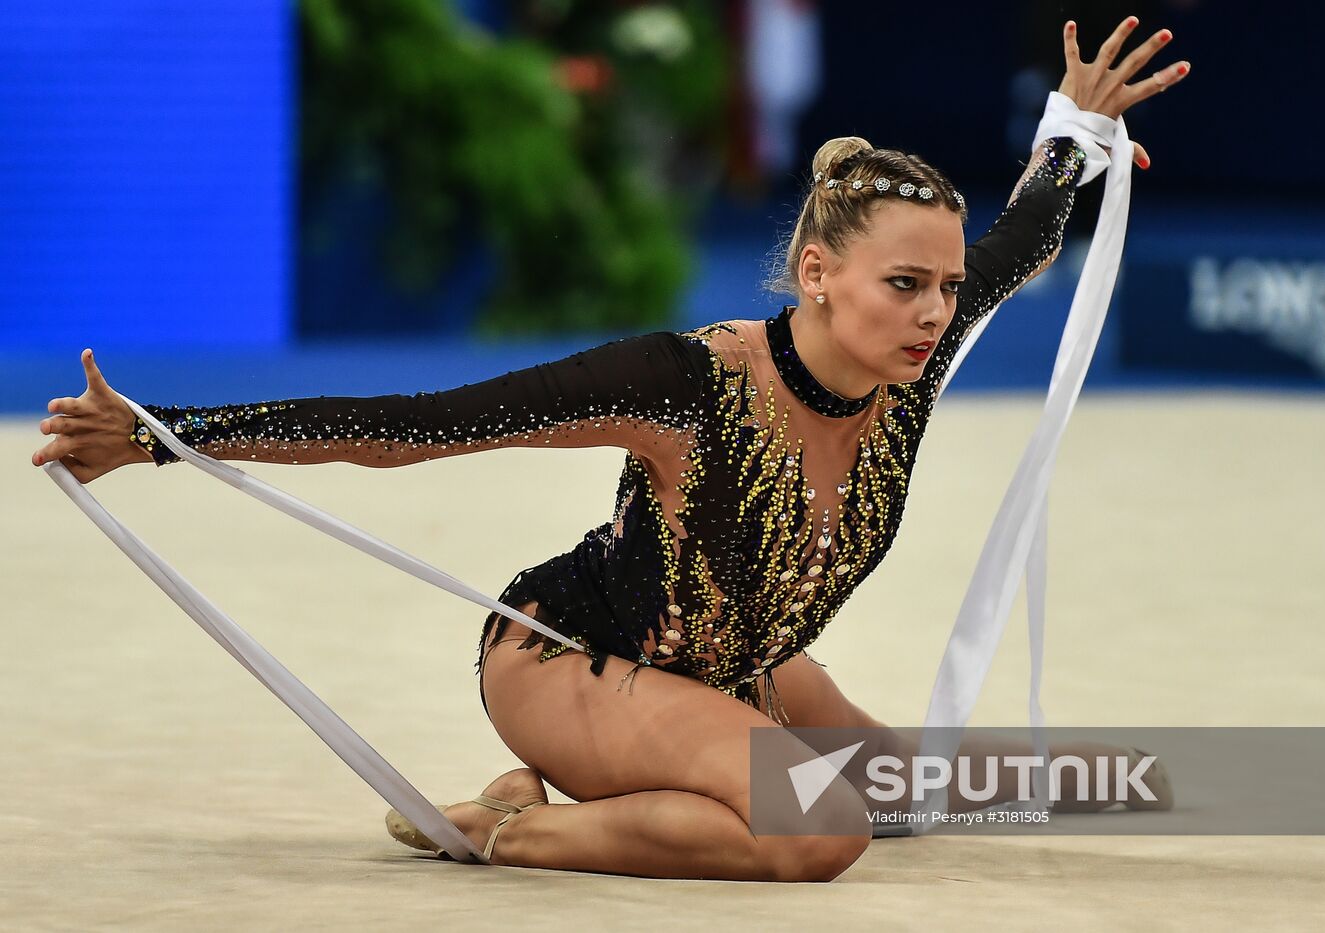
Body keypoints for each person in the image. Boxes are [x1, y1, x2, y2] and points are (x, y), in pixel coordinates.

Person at [32, 18, 1188, 882]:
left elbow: (1021, 238)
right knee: (822, 826)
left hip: (729, 660)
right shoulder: (682, 386)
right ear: (819, 274)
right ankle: (512, 825)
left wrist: (1070, 131)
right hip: (570, 658)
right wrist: (164, 436)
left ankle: (622, 772)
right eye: (904, 286)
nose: (936, 312)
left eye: (943, 288)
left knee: (914, 790)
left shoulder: (911, 356)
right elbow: (418, 426)